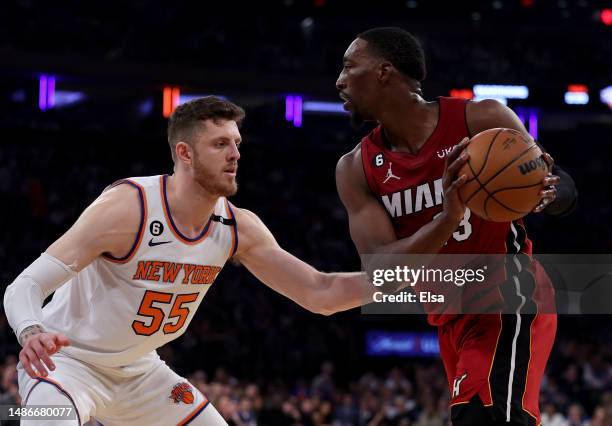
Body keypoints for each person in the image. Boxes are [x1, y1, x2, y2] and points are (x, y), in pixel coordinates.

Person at [4, 96, 369, 425]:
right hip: (67, 365)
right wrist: (31, 331)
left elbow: (321, 293)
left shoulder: (238, 227)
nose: (235, 154)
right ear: (185, 153)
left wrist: (408, 275)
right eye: (220, 144)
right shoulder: (128, 208)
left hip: (140, 372)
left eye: (237, 144)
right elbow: (26, 285)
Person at [335, 27, 577, 426]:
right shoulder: (356, 168)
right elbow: (383, 272)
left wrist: (547, 192)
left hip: (508, 296)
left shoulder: (482, 119)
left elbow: (562, 185)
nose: (339, 81)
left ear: (384, 72)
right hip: (449, 318)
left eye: (348, 67)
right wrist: (446, 218)